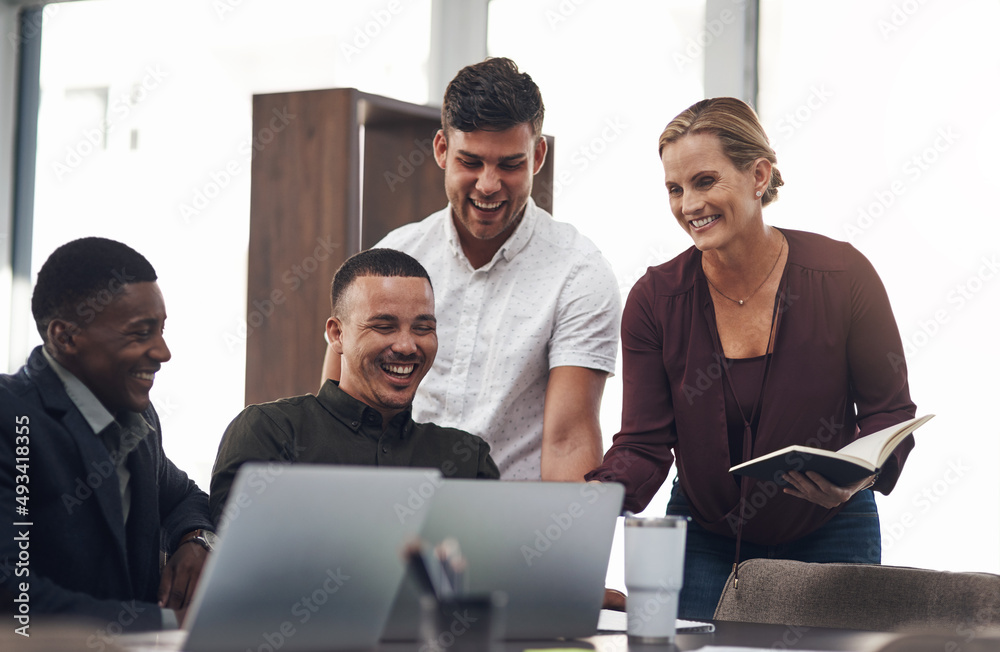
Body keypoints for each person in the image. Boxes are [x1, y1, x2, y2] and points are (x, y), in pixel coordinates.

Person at [585, 97, 917, 619]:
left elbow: (889, 413)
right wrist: (588, 507)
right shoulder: (655, 300)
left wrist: (857, 478)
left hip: (831, 526)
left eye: (705, 181)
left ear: (758, 174)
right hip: (704, 539)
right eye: (675, 188)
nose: (688, 204)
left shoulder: (844, 276)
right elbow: (645, 443)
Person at [321, 57, 622, 481]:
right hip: (390, 511)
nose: (488, 184)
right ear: (442, 149)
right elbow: (337, 411)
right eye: (471, 162)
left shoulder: (579, 274)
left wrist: (558, 542)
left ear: (537, 156)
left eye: (509, 164)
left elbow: (568, 440)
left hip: (508, 523)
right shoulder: (393, 255)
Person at [0, 237, 215, 630]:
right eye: (140, 333)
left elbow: (185, 497)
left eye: (161, 330)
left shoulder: (135, 415)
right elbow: (13, 596)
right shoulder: (10, 418)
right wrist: (168, 624)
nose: (163, 352)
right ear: (65, 337)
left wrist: (196, 539)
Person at [211, 249, 499, 524]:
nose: (407, 346)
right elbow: (244, 561)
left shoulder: (467, 459)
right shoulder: (271, 432)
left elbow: (488, 568)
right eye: (384, 326)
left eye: (423, 328)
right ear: (337, 335)